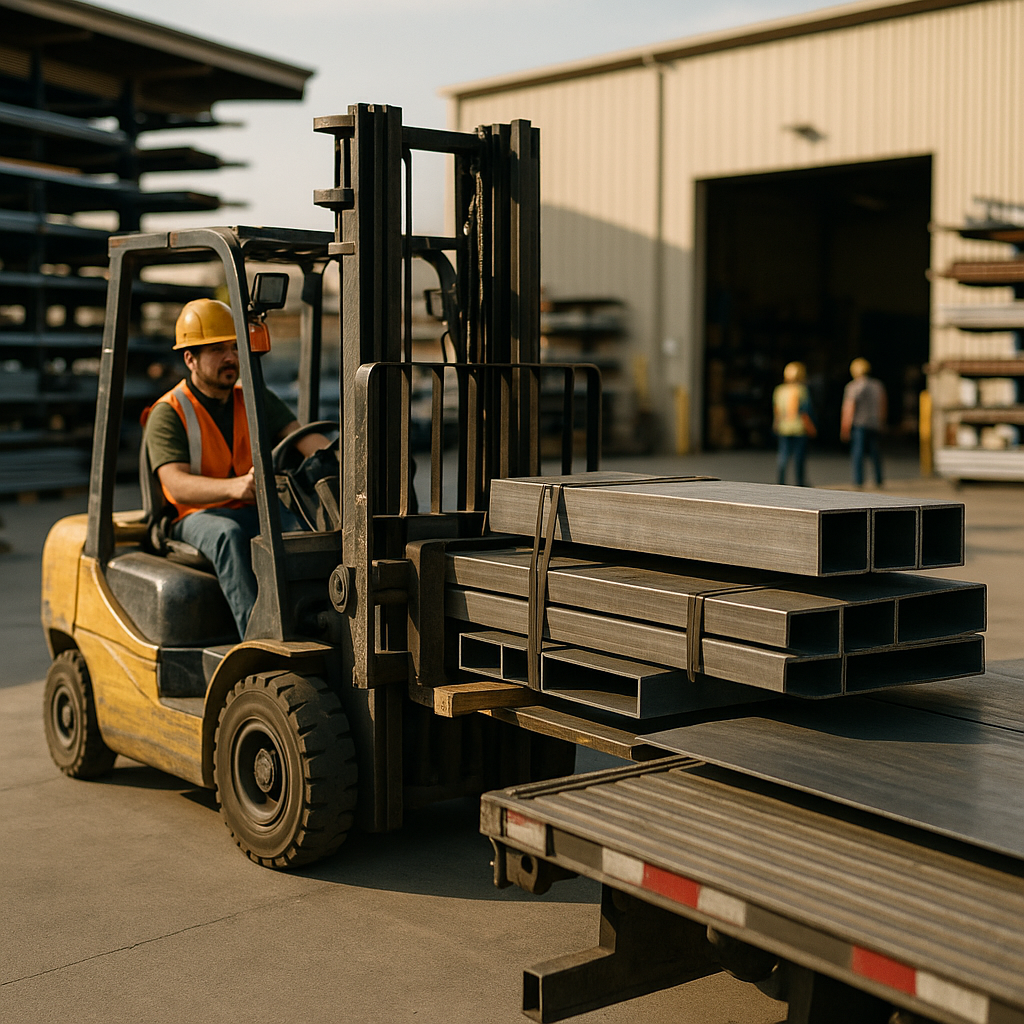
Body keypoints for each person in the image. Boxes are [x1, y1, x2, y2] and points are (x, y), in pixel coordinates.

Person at [143, 298, 330, 639]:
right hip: (193, 516)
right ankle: (259, 640)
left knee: (306, 525)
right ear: (190, 359)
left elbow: (303, 438)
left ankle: (316, 622)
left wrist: (344, 462)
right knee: (227, 535)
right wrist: (234, 488)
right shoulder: (169, 411)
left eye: (234, 347)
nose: (230, 358)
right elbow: (176, 485)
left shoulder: (253, 397)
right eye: (216, 350)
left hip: (249, 505)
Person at [840, 357, 887, 487]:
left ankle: (858, 480)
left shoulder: (853, 387)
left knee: (858, 453)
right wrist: (882, 420)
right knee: (875, 453)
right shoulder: (877, 385)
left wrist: (845, 426)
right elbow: (883, 404)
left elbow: (850, 407)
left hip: (859, 424)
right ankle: (878, 479)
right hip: (874, 423)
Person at [772, 361, 816, 486]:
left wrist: (776, 424)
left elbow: (777, 410)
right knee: (799, 458)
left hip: (784, 427)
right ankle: (800, 482)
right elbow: (804, 411)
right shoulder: (802, 390)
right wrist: (811, 427)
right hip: (799, 428)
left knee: (783, 457)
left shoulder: (779, 390)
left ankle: (780, 482)